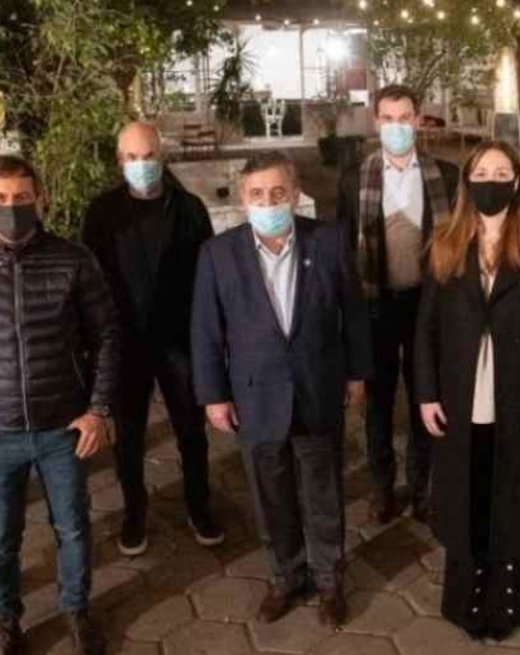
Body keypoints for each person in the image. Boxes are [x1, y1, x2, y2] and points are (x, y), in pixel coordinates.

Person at [0, 155, 117, 655]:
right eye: (1, 199)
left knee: (73, 528)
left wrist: (98, 410)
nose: (12, 207)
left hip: (63, 428)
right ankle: (6, 621)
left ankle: (76, 610)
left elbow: (106, 336)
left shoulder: (74, 260)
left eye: (23, 197)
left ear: (41, 200)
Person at [191, 151, 373, 627]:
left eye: (277, 193)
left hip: (317, 389)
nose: (268, 202)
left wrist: (357, 374)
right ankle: (285, 576)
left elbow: (354, 314)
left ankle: (329, 579)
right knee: (271, 496)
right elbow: (206, 331)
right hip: (255, 397)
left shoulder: (328, 242)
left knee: (323, 492)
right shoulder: (218, 254)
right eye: (257, 194)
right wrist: (213, 396)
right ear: (243, 199)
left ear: (294, 195)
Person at [414, 140, 520, 641]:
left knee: (513, 498)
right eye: (482, 173)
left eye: (502, 172)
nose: (491, 181)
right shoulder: (445, 242)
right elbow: (425, 329)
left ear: (517, 182)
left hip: (519, 397)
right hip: (462, 398)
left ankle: (507, 604)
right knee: (468, 498)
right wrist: (426, 393)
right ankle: (467, 599)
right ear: (467, 181)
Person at [82, 121, 222, 556]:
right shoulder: (102, 213)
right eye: (132, 157)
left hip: (180, 341)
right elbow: (89, 282)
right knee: (130, 436)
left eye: (148, 156)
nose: (141, 165)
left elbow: (208, 276)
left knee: (191, 431)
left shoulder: (189, 209)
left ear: (162, 157)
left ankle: (198, 505)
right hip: (126, 344)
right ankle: (134, 512)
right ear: (119, 161)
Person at [337, 84, 459, 526]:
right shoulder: (356, 177)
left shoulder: (446, 176)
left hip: (428, 305)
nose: (397, 126)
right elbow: (344, 248)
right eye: (388, 119)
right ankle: (382, 487)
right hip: (378, 307)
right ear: (376, 123)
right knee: (379, 404)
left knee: (428, 396)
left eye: (405, 118)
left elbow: (458, 243)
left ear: (418, 120)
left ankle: (422, 487)